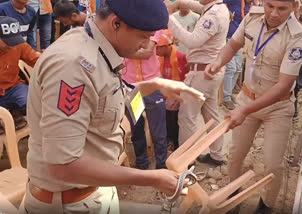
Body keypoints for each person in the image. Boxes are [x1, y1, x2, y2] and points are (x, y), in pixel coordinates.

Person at [23, 0, 204, 213]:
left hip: (91, 193)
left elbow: (106, 99)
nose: (146, 45)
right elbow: (63, 165)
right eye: (144, 36)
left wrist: (153, 85)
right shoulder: (73, 67)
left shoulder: (95, 44)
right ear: (116, 23)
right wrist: (151, 178)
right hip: (69, 202)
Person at [204, 0, 302, 213]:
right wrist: (218, 62)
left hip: (277, 108)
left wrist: (243, 110)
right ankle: (233, 196)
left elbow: (283, 85)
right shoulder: (252, 17)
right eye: (270, 6)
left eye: (282, 8)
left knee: (273, 165)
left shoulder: (297, 37)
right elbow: (233, 45)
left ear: (294, 6)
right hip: (247, 98)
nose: (273, 13)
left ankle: (266, 205)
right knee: (235, 155)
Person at [166, 0, 230, 166]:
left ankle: (186, 160)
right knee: (211, 114)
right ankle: (217, 155)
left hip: (202, 73)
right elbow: (200, 7)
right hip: (209, 71)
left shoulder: (214, 14)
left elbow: (192, 41)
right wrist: (180, 2)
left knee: (187, 116)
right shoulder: (217, 8)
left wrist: (168, 18)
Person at [122, 30, 169, 170]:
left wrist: (122, 51)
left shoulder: (152, 26)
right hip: (132, 88)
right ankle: (142, 163)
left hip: (152, 87)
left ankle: (161, 166)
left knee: (158, 130)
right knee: (137, 128)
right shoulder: (122, 27)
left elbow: (147, 52)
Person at [0, 16, 39, 134]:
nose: (12, 46)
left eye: (14, 41)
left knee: (34, 100)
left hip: (13, 88)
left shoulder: (19, 45)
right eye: (7, 42)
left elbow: (38, 61)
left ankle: (12, 112)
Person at [156, 29, 189, 150]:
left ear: (166, 46)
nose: (155, 50)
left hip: (180, 96)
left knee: (175, 121)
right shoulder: (158, 59)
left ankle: (176, 145)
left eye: (157, 47)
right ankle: (169, 140)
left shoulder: (181, 58)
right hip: (165, 95)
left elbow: (188, 79)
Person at [222, 0, 255, 110]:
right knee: (230, 68)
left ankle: (229, 93)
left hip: (241, 41)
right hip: (228, 39)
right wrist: (226, 12)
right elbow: (221, 4)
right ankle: (226, 98)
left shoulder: (253, 5)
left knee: (238, 69)